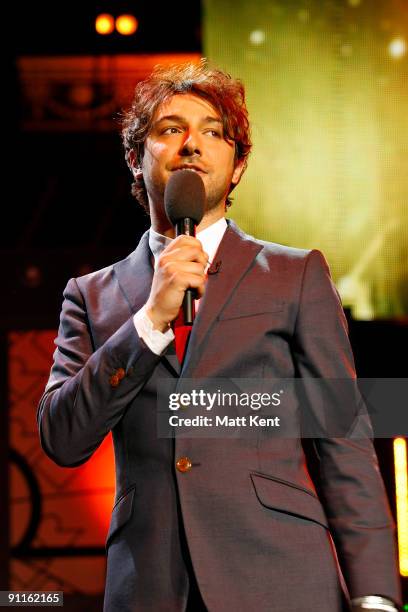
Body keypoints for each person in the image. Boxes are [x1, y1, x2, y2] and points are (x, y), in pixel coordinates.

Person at [37, 60, 401, 612]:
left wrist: (374, 594)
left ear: (236, 168)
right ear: (136, 159)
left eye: (213, 132)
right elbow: (62, 438)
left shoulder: (294, 275)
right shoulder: (91, 296)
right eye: (170, 129)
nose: (192, 144)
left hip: (281, 578)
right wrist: (149, 323)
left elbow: (342, 436)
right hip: (151, 587)